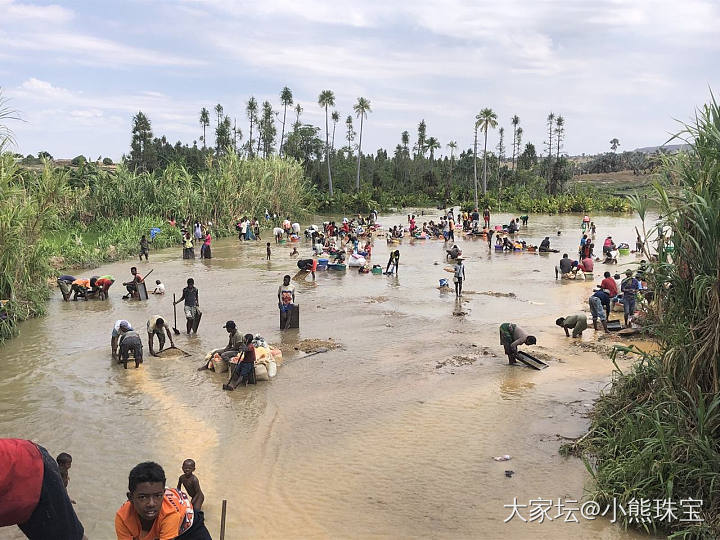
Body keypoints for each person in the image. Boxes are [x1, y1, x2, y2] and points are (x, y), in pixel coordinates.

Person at [0, 439, 86, 540]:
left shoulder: (57, 473)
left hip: (32, 465)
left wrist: (63, 498)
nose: (69, 466)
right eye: (68, 464)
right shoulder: (61, 473)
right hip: (25, 463)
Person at [115, 461, 211, 540]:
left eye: (157, 496)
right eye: (143, 497)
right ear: (130, 497)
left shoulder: (170, 514)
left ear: (163, 493)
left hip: (188, 525)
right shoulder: (123, 517)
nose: (151, 504)